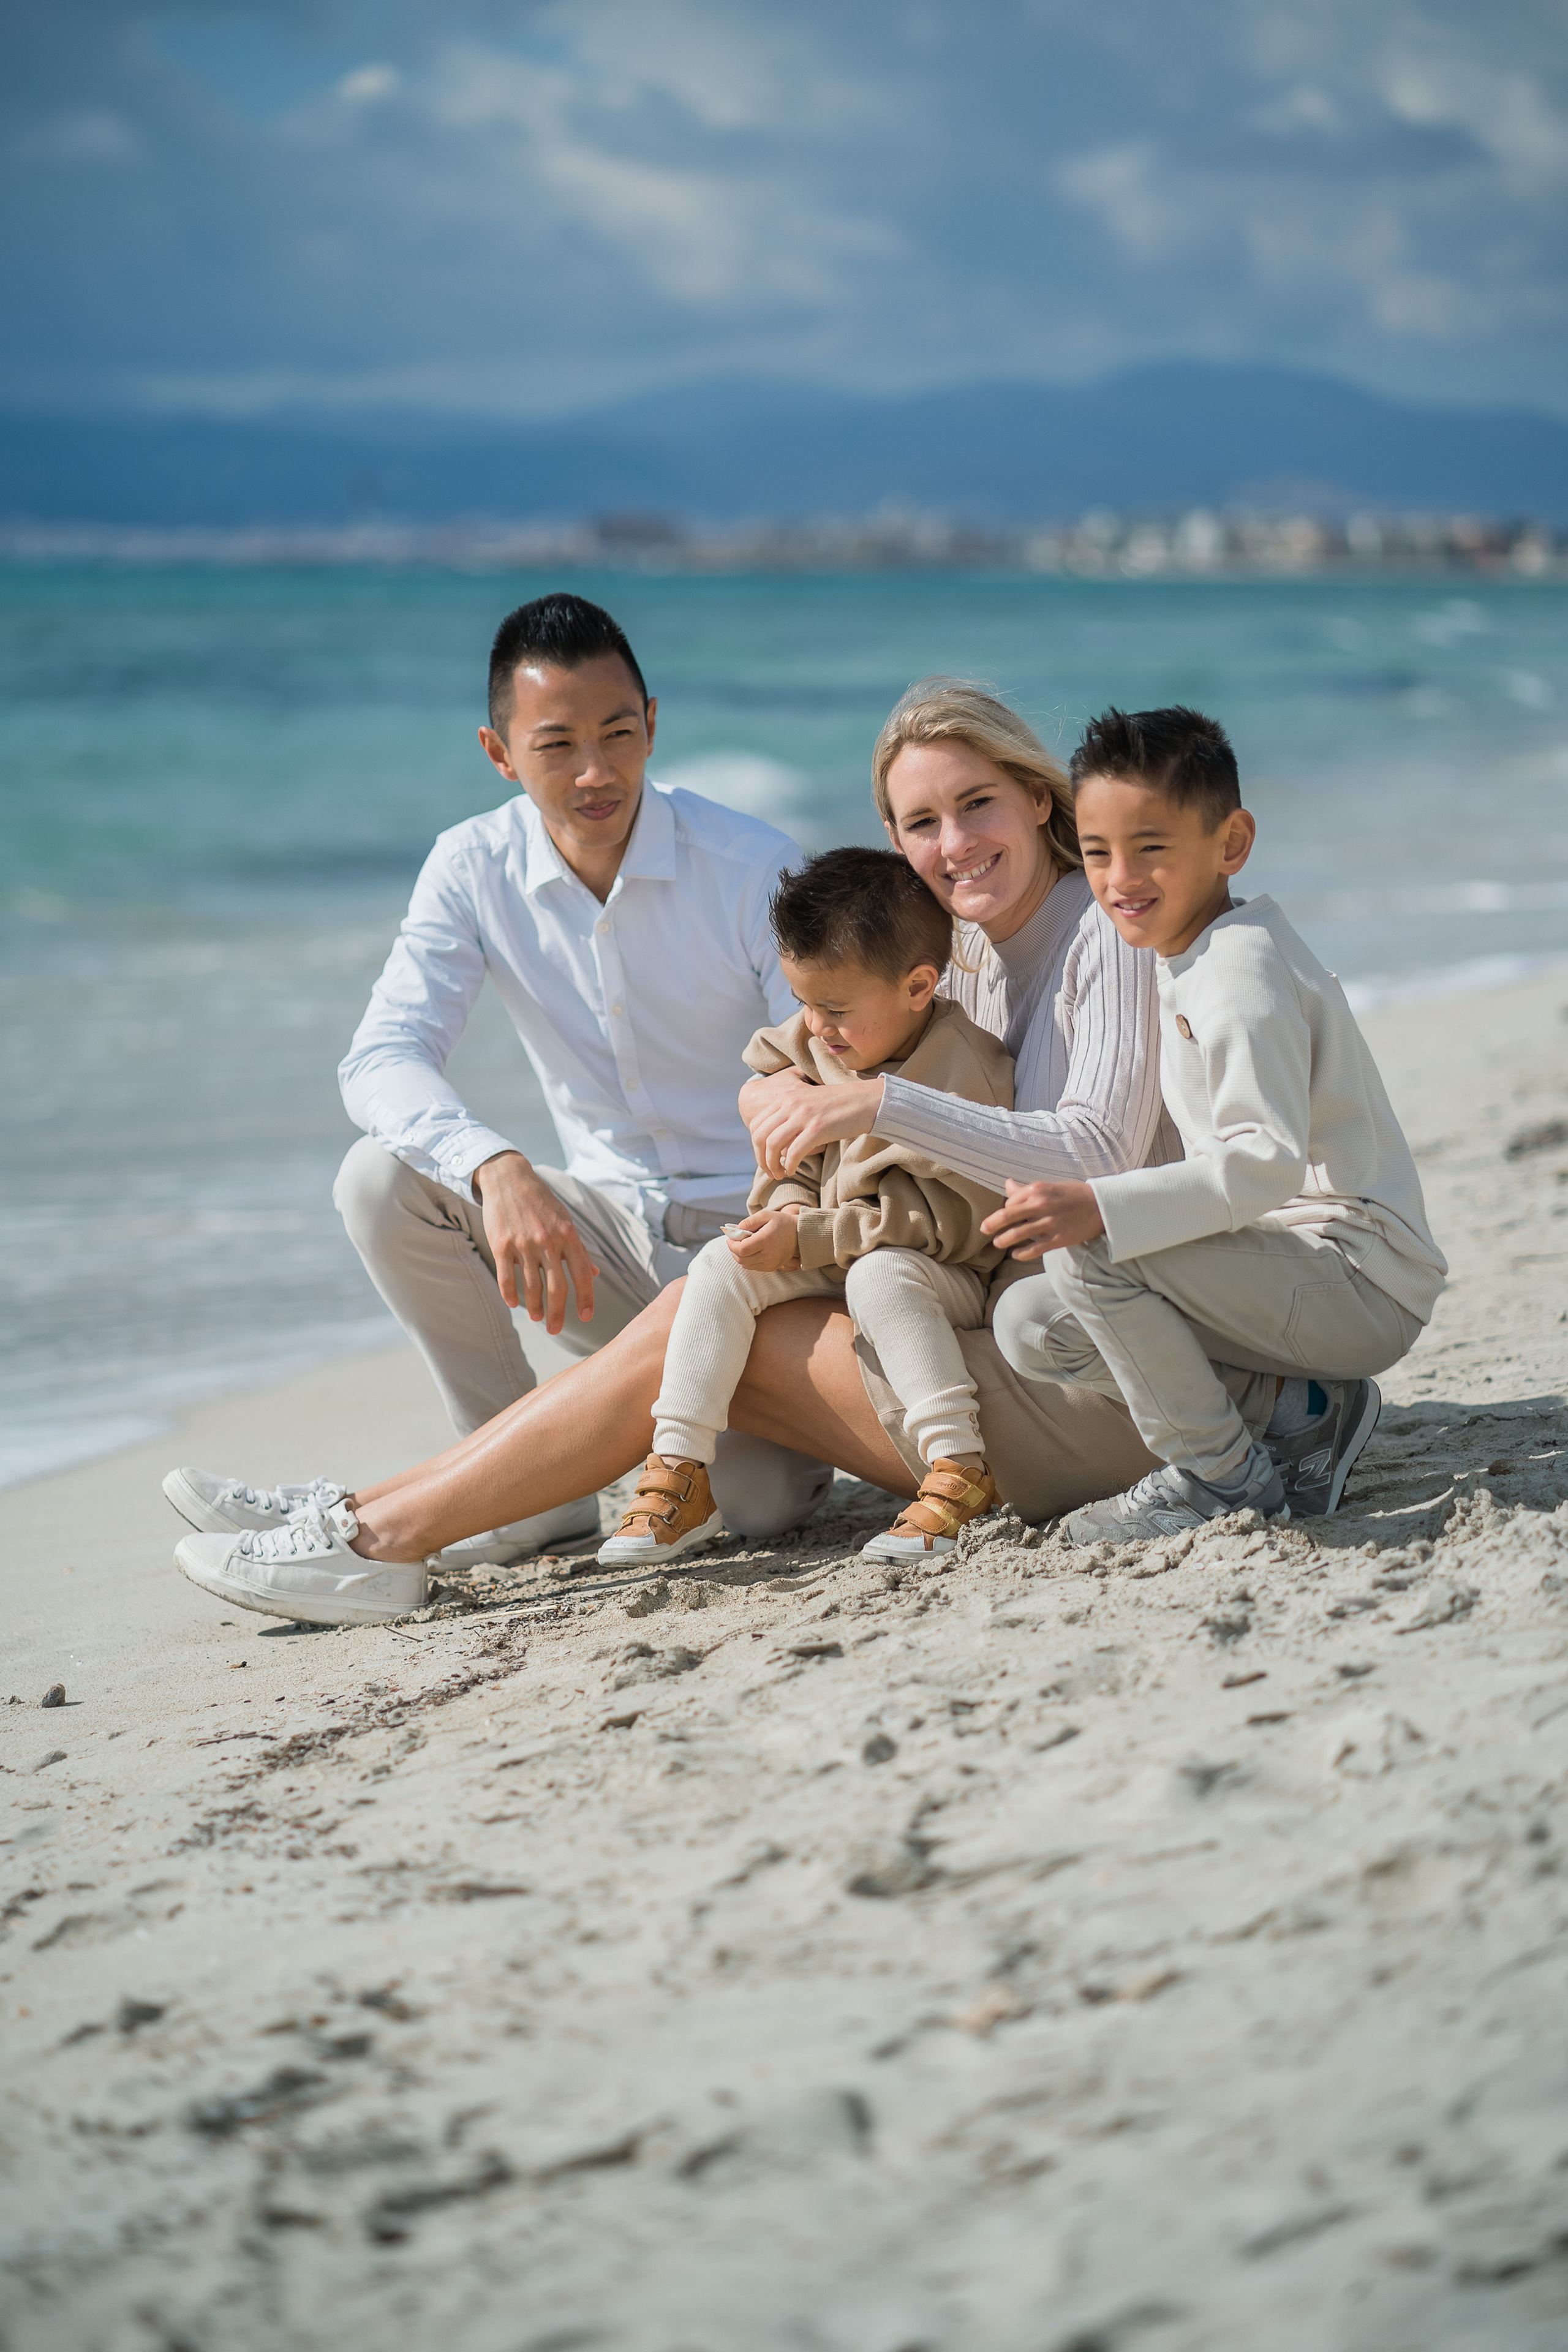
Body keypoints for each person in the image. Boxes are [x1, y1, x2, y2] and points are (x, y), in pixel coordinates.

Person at [170, 679, 1216, 1630]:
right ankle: (366, 1515)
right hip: (983, 1339)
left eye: (976, 804)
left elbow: (1088, 1153)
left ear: (1038, 798)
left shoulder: (1100, 937)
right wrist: (788, 1089)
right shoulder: (963, 958)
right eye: (920, 824)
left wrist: (871, 1106)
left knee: (706, 1315)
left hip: (1104, 1391)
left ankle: (378, 1535)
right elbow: (815, 1043)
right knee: (716, 1298)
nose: (953, 844)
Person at [163, 591, 834, 1572]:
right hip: (606, 1244)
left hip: (760, 1249)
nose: (596, 772)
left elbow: (825, 1079)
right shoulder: (471, 866)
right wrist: (496, 1164)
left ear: (653, 725)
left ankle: (419, 1496)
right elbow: (380, 1055)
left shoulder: (753, 868)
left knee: (763, 1505)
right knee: (381, 1178)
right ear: (499, 753)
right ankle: (520, 1497)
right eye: (556, 744)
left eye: (617, 733)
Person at [989, 704, 1447, 1545]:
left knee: (1089, 1243)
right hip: (1289, 1277)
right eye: (1097, 853)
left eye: (1151, 847)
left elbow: (1263, 1166)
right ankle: (1299, 1415)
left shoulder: (1239, 971)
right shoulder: (1189, 953)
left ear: (1231, 844)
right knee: (1032, 1325)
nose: (1120, 877)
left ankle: (1219, 1478)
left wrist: (1102, 1206)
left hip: (1355, 1276)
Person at [598, 846, 1014, 1572]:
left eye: (836, 1009)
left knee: (881, 1275)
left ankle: (958, 1466)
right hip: (830, 1247)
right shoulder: (818, 1041)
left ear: (919, 986)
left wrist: (810, 1236)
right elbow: (792, 1159)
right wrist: (785, 1216)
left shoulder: (963, 1069)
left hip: (940, 1279)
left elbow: (947, 1225)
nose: (816, 1027)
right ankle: (681, 1465)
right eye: (802, 1003)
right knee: (720, 1263)